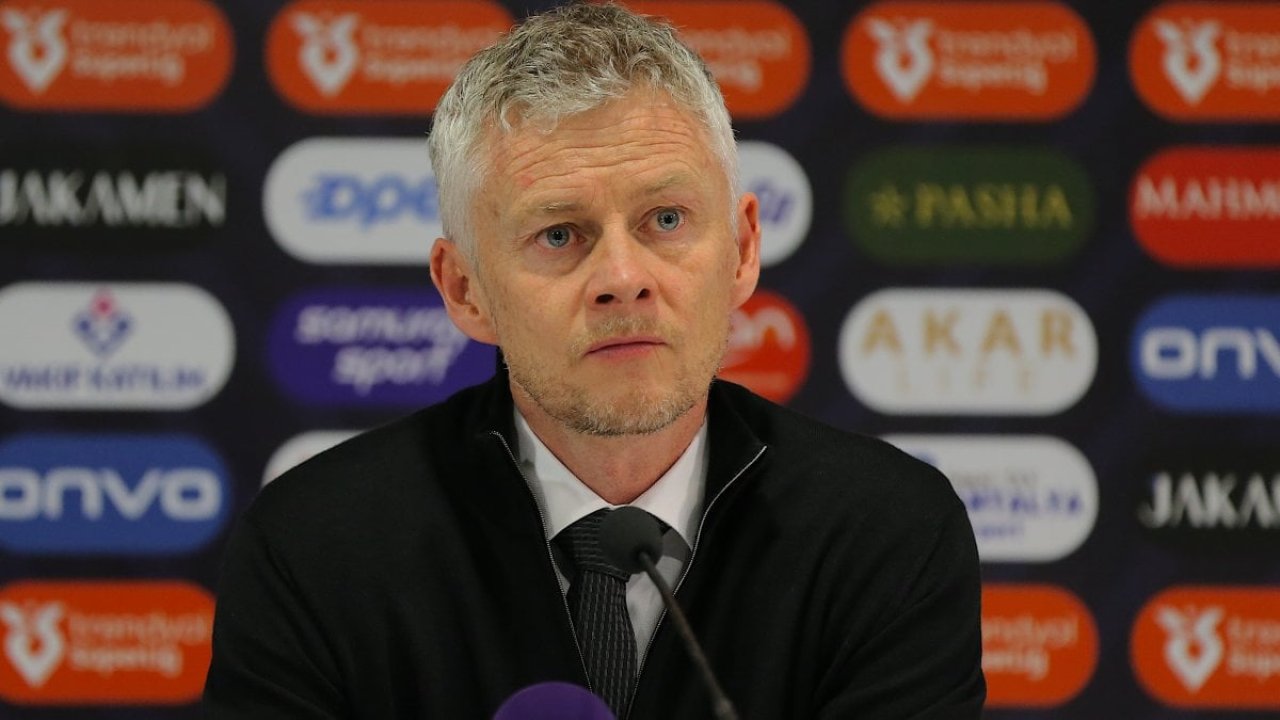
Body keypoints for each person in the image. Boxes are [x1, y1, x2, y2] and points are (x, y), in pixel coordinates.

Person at [203, 3, 985, 718]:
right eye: (559, 234)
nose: (622, 278)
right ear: (465, 290)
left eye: (666, 219)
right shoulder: (314, 549)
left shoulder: (887, 535)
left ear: (744, 250)